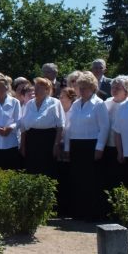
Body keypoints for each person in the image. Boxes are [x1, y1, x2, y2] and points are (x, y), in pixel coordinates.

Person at [64, 72, 109, 219]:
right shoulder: (76, 104)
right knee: (77, 179)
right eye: (79, 87)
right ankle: (78, 212)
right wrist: (67, 148)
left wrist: (99, 148)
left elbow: (104, 127)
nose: (81, 90)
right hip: (76, 145)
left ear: (92, 88)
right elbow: (69, 127)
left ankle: (92, 213)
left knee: (91, 181)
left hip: (92, 145)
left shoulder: (99, 104)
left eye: (84, 88)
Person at [20, 77, 65, 179]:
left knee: (47, 170)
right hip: (31, 140)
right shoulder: (29, 104)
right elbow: (23, 127)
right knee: (32, 170)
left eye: (39, 88)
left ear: (46, 90)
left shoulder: (54, 102)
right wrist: (23, 145)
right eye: (35, 88)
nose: (36, 91)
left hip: (48, 140)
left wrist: (56, 145)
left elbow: (60, 126)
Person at [102, 76, 128, 195]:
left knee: (122, 178)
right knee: (108, 178)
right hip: (108, 145)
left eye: (118, 87)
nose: (114, 89)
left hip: (125, 147)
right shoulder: (106, 102)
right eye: (113, 87)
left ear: (126, 90)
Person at [56, 87, 77, 217]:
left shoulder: (74, 112)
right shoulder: (58, 111)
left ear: (70, 98)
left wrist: (67, 148)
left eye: (63, 96)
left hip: (70, 149)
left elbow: (71, 132)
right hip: (59, 147)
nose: (60, 99)